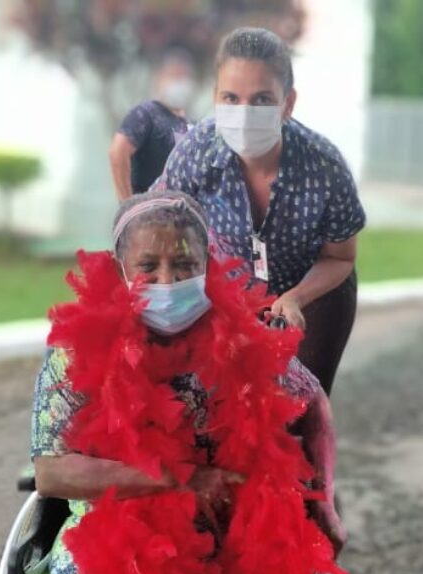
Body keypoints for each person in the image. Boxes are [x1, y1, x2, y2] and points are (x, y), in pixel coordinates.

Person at [31, 191, 346, 574]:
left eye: (184, 265)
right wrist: (181, 480)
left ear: (207, 264)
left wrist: (325, 505)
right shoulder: (76, 350)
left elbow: (314, 402)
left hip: (237, 529)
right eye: (148, 266)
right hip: (120, 538)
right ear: (119, 268)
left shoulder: (239, 338)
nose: (168, 281)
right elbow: (51, 472)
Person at [155, 27, 366, 396]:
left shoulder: (325, 167)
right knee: (225, 409)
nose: (244, 113)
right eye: (231, 98)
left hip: (315, 296)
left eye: (262, 99)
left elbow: (341, 257)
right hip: (230, 293)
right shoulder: (195, 154)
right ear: (215, 98)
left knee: (300, 409)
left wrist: (296, 297)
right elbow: (163, 230)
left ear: (288, 103)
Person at [108, 50, 195, 200]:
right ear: (160, 78)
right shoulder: (146, 114)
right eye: (175, 76)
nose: (180, 83)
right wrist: (127, 206)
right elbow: (117, 151)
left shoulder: (189, 125)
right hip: (148, 214)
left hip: (178, 214)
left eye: (184, 78)